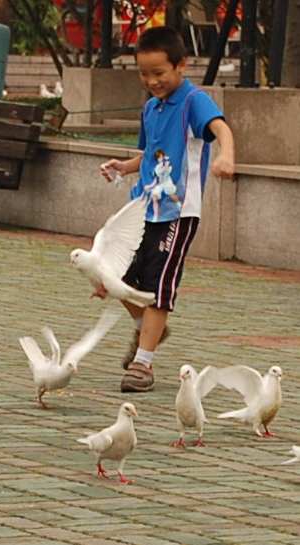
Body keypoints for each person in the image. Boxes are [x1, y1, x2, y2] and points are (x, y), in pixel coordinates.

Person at [99, 27, 235, 393]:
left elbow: (221, 129)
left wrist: (226, 155)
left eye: (159, 73)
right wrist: (124, 167)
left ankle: (143, 364)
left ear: (180, 65)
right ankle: (149, 327)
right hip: (142, 208)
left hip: (177, 212)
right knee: (116, 279)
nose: (152, 81)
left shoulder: (193, 100)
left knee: (159, 285)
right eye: (144, 74)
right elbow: (152, 154)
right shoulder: (150, 108)